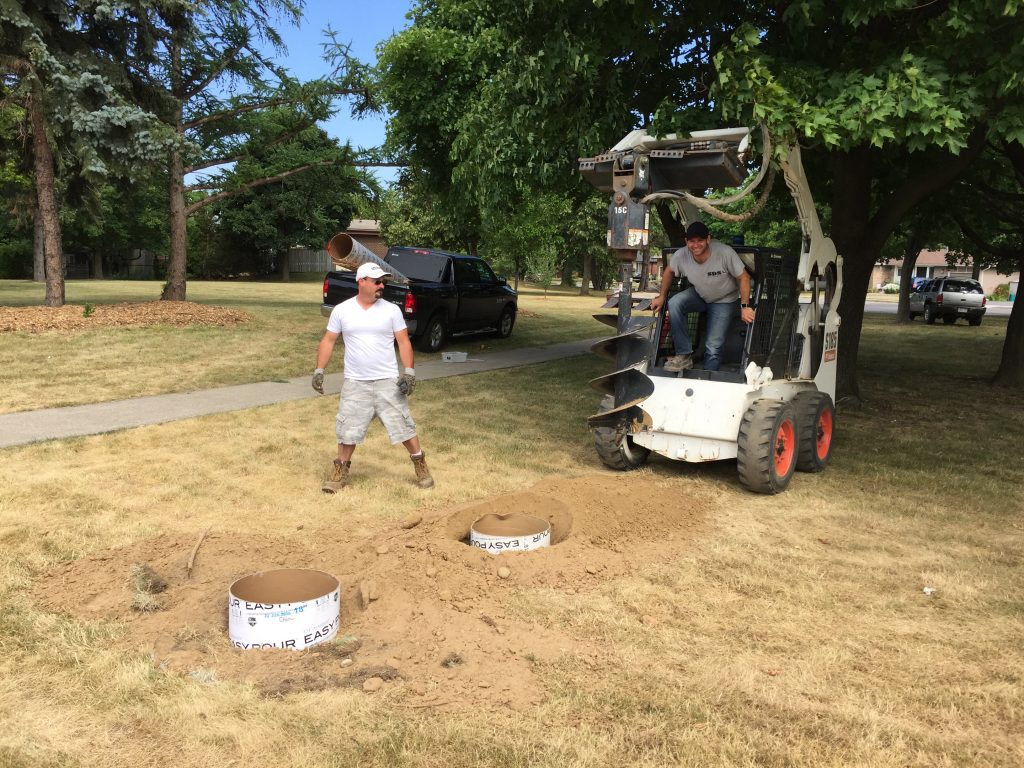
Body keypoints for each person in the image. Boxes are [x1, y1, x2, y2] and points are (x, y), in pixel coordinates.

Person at [312, 261, 435, 492]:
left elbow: (404, 341)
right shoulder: (342, 310)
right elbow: (328, 340)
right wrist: (319, 369)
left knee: (404, 426)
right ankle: (340, 472)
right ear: (362, 282)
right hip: (355, 382)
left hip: (387, 381)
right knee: (348, 429)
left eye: (383, 282)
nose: (382, 285)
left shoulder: (391, 310)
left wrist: (409, 372)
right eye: (377, 281)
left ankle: (421, 465)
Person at [649, 221, 755, 372]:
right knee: (674, 303)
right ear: (686, 241)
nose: (696, 245)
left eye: (700, 240)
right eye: (692, 241)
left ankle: (709, 377)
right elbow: (668, 271)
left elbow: (743, 278)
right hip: (700, 294)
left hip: (724, 300)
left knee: (713, 346)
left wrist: (745, 306)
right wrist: (661, 296)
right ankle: (684, 355)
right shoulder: (681, 255)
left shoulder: (724, 253)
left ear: (708, 239)